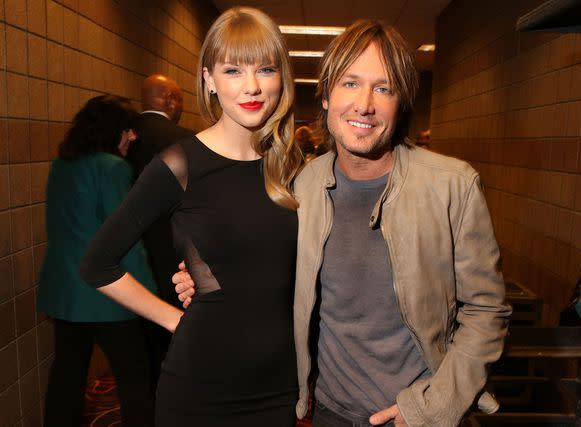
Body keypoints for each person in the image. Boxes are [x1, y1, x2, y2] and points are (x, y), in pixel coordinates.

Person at [176, 19, 511, 427]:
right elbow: (264, 272)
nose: (365, 104)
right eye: (350, 83)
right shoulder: (300, 187)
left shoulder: (452, 186)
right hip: (329, 413)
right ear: (326, 96)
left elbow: (486, 310)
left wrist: (433, 406)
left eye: (383, 88)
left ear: (400, 101)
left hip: (417, 415)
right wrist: (207, 277)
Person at [80, 7, 303, 427]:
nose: (252, 86)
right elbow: (97, 263)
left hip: (278, 385)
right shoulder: (179, 163)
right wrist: (175, 318)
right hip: (201, 385)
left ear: (281, 78)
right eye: (233, 70)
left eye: (266, 69)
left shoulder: (291, 166)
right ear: (209, 80)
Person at [37, 95, 156, 427]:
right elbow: (127, 240)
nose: (133, 137)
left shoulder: (62, 163)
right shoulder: (113, 168)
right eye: (127, 129)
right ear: (111, 130)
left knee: (67, 376)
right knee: (134, 378)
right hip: (109, 294)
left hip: (65, 293)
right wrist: (149, 298)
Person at [126, 73, 195, 389]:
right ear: (171, 100)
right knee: (177, 346)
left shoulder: (122, 140)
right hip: (175, 261)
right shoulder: (186, 140)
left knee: (138, 350)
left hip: (127, 262)